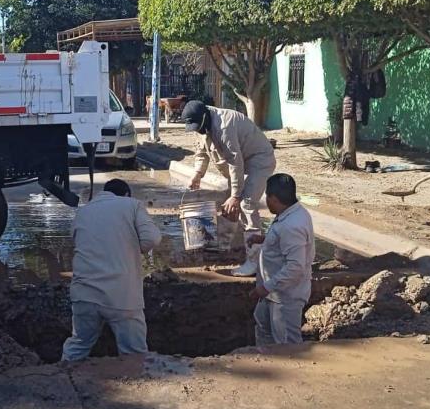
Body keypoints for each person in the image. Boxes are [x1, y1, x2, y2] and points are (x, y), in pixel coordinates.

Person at [61, 179, 162, 361]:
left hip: (84, 293)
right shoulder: (131, 205)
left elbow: (78, 241)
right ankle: (136, 384)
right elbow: (151, 239)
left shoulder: (83, 212)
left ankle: (61, 381)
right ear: (126, 194)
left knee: (79, 343)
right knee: (134, 353)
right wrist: (131, 248)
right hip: (121, 295)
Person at [181, 100, 277, 277]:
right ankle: (234, 246)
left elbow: (235, 163)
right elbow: (202, 152)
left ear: (204, 117)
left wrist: (236, 195)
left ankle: (254, 262)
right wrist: (197, 174)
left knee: (246, 204)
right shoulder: (202, 123)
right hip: (242, 161)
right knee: (228, 203)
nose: (197, 130)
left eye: (197, 127)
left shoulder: (224, 126)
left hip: (259, 159)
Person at [249, 173, 314, 346]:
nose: (266, 201)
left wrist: (265, 288)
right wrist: (264, 239)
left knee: (287, 344)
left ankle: (291, 371)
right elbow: (284, 242)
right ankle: (265, 363)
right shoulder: (292, 212)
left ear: (274, 198)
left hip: (285, 296)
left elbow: (295, 267)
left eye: (267, 197)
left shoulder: (292, 226)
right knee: (263, 326)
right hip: (273, 292)